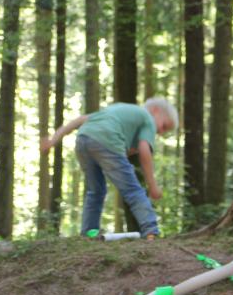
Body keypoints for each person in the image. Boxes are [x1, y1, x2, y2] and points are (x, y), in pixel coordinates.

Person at [42, 99, 178, 239]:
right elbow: (145, 151)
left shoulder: (119, 110)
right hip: (107, 140)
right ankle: (151, 231)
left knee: (95, 191)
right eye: (164, 126)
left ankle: (88, 233)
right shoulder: (147, 117)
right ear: (155, 110)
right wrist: (152, 185)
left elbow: (80, 120)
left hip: (83, 139)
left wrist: (53, 141)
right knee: (133, 190)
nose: (161, 132)